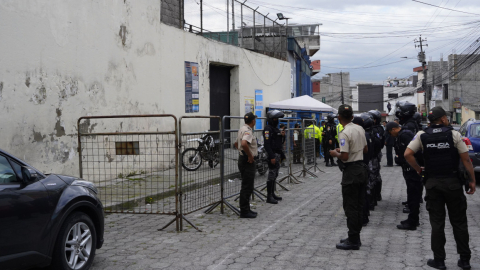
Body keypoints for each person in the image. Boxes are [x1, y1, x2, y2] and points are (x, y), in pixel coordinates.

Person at [405, 106, 476, 270]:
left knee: (437, 224)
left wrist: (418, 169)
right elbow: (466, 160)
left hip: (433, 184)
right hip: (453, 184)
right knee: (459, 222)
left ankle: (439, 261)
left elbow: (407, 154)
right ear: (443, 119)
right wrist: (471, 180)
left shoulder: (422, 135)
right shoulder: (454, 134)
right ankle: (464, 260)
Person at [330, 104, 368, 250]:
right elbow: (365, 149)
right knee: (358, 205)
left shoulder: (344, 133)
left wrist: (336, 153)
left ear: (339, 118)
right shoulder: (359, 128)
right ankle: (355, 236)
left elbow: (344, 157)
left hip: (351, 172)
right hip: (361, 169)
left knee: (350, 207)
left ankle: (353, 240)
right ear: (352, 116)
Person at [386, 122, 422, 230]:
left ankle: (413, 221)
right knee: (412, 194)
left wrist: (416, 167)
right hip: (410, 169)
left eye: (389, 132)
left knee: (413, 195)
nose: (390, 135)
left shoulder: (405, 135)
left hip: (412, 170)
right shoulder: (403, 134)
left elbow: (412, 152)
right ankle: (412, 219)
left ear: (393, 129)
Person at [234, 112, 259, 218]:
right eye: (255, 120)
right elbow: (244, 143)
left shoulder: (242, 128)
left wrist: (241, 152)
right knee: (247, 186)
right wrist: (249, 155)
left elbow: (236, 144)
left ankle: (247, 209)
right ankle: (244, 211)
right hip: (247, 161)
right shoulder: (248, 130)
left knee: (247, 185)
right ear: (253, 121)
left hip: (242, 158)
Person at [353, 114, 375, 226]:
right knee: (365, 193)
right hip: (366, 165)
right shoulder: (367, 134)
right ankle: (365, 215)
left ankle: (363, 217)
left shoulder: (362, 135)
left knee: (361, 195)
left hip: (362, 166)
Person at [263, 110, 286, 204]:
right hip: (272, 154)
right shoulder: (268, 129)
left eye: (277, 118)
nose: (277, 120)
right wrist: (272, 156)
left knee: (275, 174)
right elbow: (267, 144)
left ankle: (272, 194)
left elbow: (280, 141)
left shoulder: (275, 129)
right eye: (275, 118)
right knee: (271, 175)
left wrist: (283, 135)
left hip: (277, 154)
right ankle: (269, 196)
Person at [368, 110, 385, 202]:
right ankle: (377, 195)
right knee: (376, 174)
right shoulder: (380, 128)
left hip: (373, 155)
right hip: (377, 154)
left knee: (372, 176)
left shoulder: (374, 130)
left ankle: (373, 197)